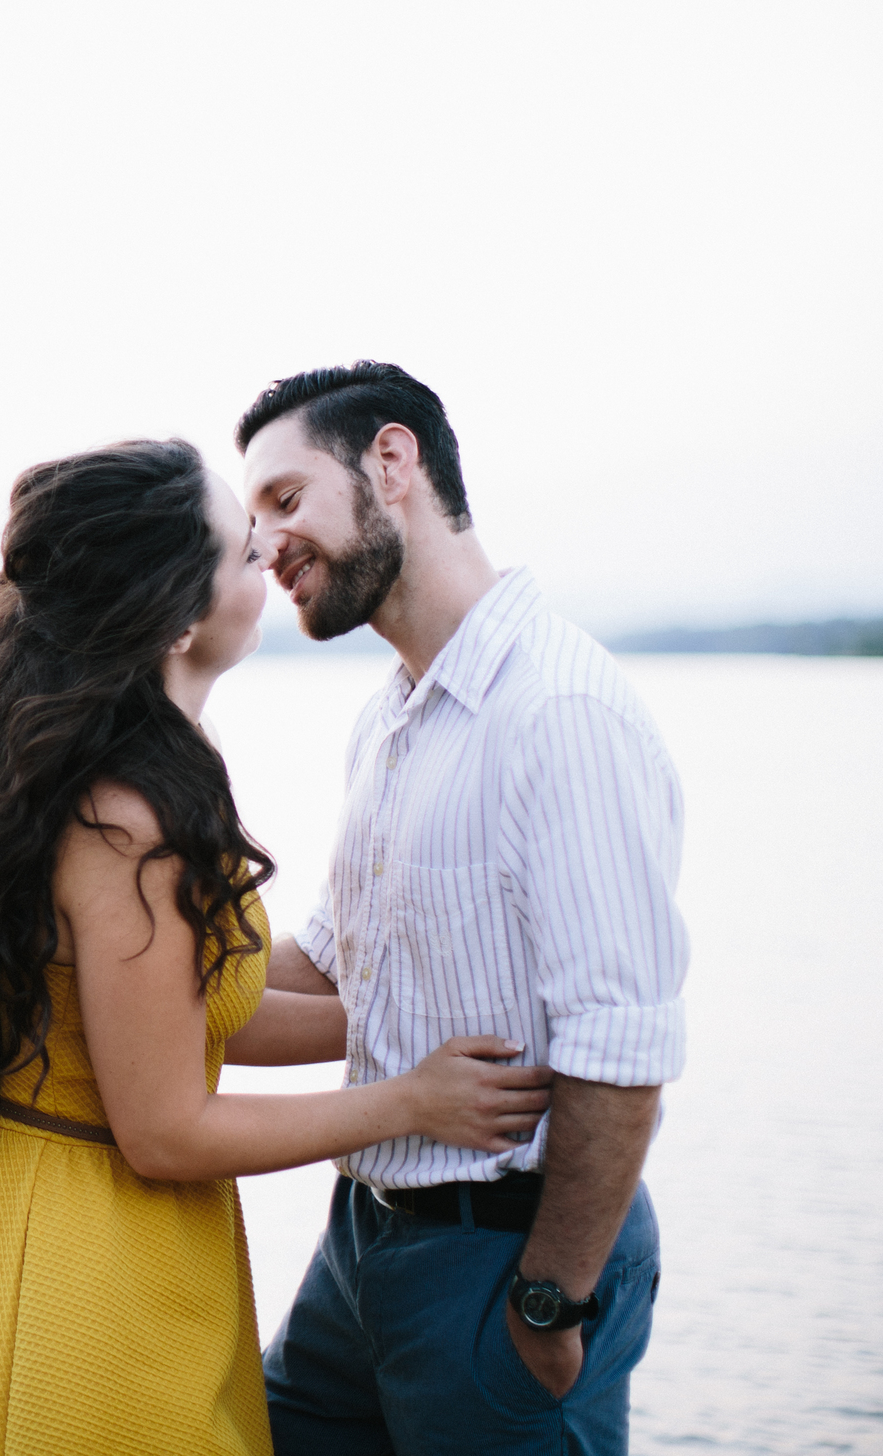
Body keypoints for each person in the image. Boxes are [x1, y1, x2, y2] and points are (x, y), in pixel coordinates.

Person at [0, 438, 555, 1456]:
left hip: (67, 1229)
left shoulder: (125, 767)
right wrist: (408, 1101)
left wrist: (416, 1023)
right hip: (69, 1271)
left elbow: (190, 1017)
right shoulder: (126, 813)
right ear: (175, 612)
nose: (267, 554)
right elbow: (164, 1127)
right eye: (236, 547)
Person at [238, 362, 688, 1454]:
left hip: (507, 1254)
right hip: (361, 1242)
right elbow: (336, 966)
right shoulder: (390, 719)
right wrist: (105, 958)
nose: (264, 547)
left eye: (285, 501)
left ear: (391, 463)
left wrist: (547, 1303)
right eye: (252, 522)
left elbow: (621, 1048)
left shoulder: (557, 710)